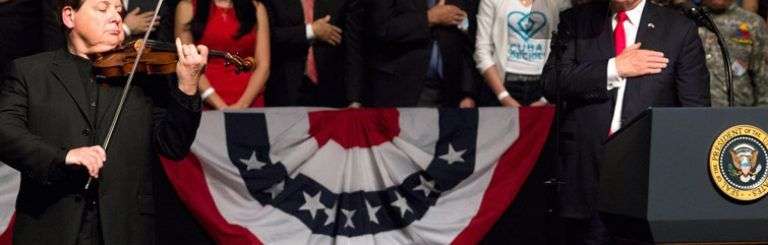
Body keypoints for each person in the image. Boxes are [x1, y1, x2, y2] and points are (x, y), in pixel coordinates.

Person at [0, 0, 208, 244]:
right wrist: (63, 156)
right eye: (102, 9)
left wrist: (188, 86)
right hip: (51, 227)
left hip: (126, 230)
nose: (116, 17)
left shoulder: (143, 78)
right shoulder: (31, 72)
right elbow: (5, 132)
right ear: (69, 16)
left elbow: (173, 144)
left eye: (119, 10)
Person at [542, 0, 710, 243]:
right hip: (586, 176)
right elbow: (551, 83)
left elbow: (694, 114)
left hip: (648, 181)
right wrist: (614, 68)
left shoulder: (678, 28)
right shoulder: (576, 21)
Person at [350, 0, 477, 107]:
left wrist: (467, 92)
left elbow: (466, 39)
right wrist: (429, 18)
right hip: (402, 90)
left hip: (450, 95)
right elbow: (382, 29)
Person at [175, 0, 270, 109]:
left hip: (249, 98)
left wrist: (243, 104)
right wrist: (220, 105)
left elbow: (263, 65)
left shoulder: (256, 7)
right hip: (204, 98)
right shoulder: (187, 7)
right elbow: (189, 65)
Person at [474, 0, 570, 107]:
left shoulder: (559, 2)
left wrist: (545, 98)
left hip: (543, 85)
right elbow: (482, 50)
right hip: (502, 83)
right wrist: (503, 96)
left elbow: (566, 50)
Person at [262, 0, 353, 107]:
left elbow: (353, 46)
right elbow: (268, 37)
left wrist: (354, 98)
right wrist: (311, 31)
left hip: (332, 90)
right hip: (285, 88)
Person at [700, 0, 768, 106]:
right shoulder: (687, 21)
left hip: (742, 113)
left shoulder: (752, 22)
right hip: (697, 112)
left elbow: (762, 75)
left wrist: (763, 116)